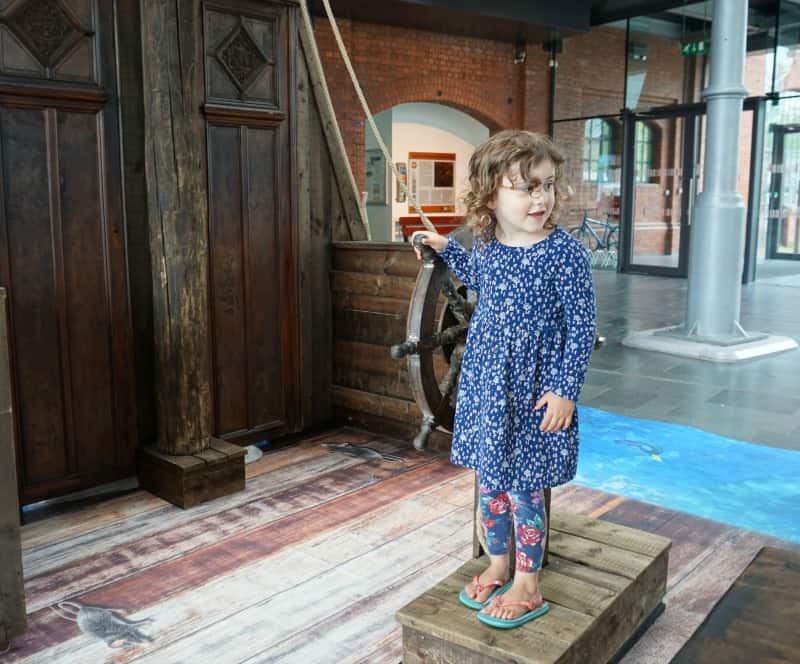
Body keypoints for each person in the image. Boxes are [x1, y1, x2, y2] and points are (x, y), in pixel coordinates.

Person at [411, 130, 596, 630]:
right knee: (490, 482)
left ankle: (528, 585)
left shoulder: (566, 255)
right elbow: (476, 274)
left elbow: (582, 329)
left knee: (524, 489)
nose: (540, 198)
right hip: (488, 386)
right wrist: (445, 247)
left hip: (536, 392)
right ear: (491, 196)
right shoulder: (490, 247)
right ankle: (497, 564)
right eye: (525, 188)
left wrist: (565, 391)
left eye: (547, 185)